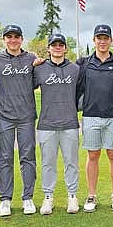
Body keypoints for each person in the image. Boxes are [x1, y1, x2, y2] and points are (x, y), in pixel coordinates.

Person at [76, 24, 113, 212]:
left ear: (111, 40)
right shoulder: (84, 63)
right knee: (93, 155)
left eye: (106, 38)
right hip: (90, 116)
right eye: (99, 38)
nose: (103, 41)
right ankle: (91, 195)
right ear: (94, 40)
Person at [0, 25, 37, 217]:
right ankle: (5, 200)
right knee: (5, 158)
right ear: (4, 39)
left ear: (22, 39)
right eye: (9, 37)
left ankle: (28, 198)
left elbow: (38, 80)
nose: (13, 40)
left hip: (26, 116)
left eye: (16, 36)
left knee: (27, 158)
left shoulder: (31, 59)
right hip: (3, 116)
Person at [33, 33, 80, 214]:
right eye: (54, 45)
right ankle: (48, 197)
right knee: (48, 163)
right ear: (49, 48)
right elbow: (24, 86)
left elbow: (82, 92)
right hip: (46, 124)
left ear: (65, 48)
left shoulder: (75, 69)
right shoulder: (39, 68)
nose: (58, 47)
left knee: (71, 162)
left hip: (70, 123)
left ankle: (72, 196)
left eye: (61, 45)